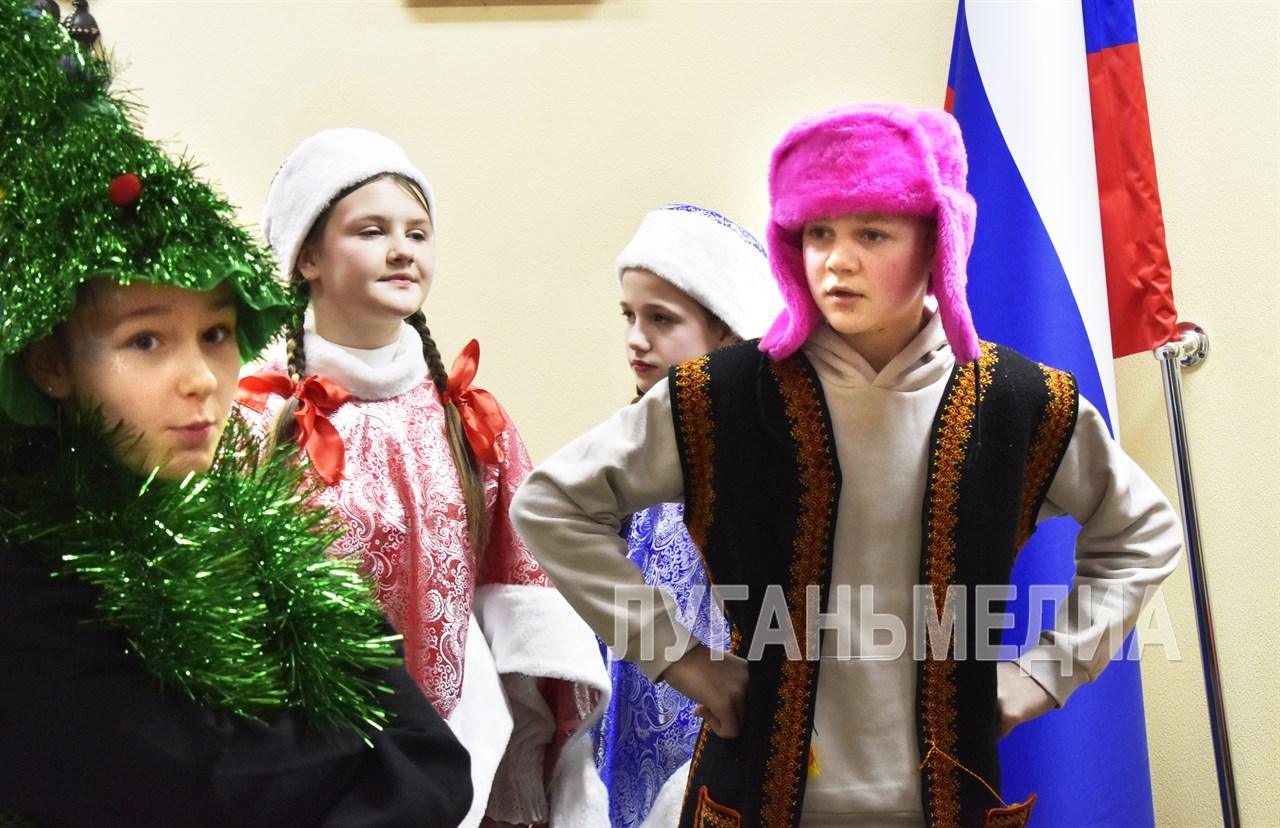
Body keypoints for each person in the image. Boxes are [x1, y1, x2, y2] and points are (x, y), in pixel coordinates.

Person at [510, 104, 1183, 827]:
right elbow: (551, 504)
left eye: (872, 233)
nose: (837, 260)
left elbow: (1142, 533)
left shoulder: (1019, 403)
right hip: (752, 800)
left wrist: (1045, 673)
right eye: (818, 233)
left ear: (937, 240)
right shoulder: (721, 397)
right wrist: (681, 658)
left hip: (946, 803)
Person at [0, 2, 472, 824]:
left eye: (216, 334)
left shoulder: (252, 524)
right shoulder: (34, 570)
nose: (200, 380)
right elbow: (198, 786)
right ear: (51, 363)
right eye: (146, 341)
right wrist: (374, 771)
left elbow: (431, 750)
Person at [237, 128, 608, 827]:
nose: (402, 249)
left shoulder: (466, 417)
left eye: (417, 232)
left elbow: (527, 591)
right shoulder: (256, 416)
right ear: (308, 258)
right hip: (300, 759)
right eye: (371, 231)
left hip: (452, 751)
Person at [594, 204, 782, 828]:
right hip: (625, 742)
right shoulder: (626, 454)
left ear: (728, 334)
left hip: (720, 760)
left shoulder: (761, 470)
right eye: (629, 315)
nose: (635, 338)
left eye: (661, 319)